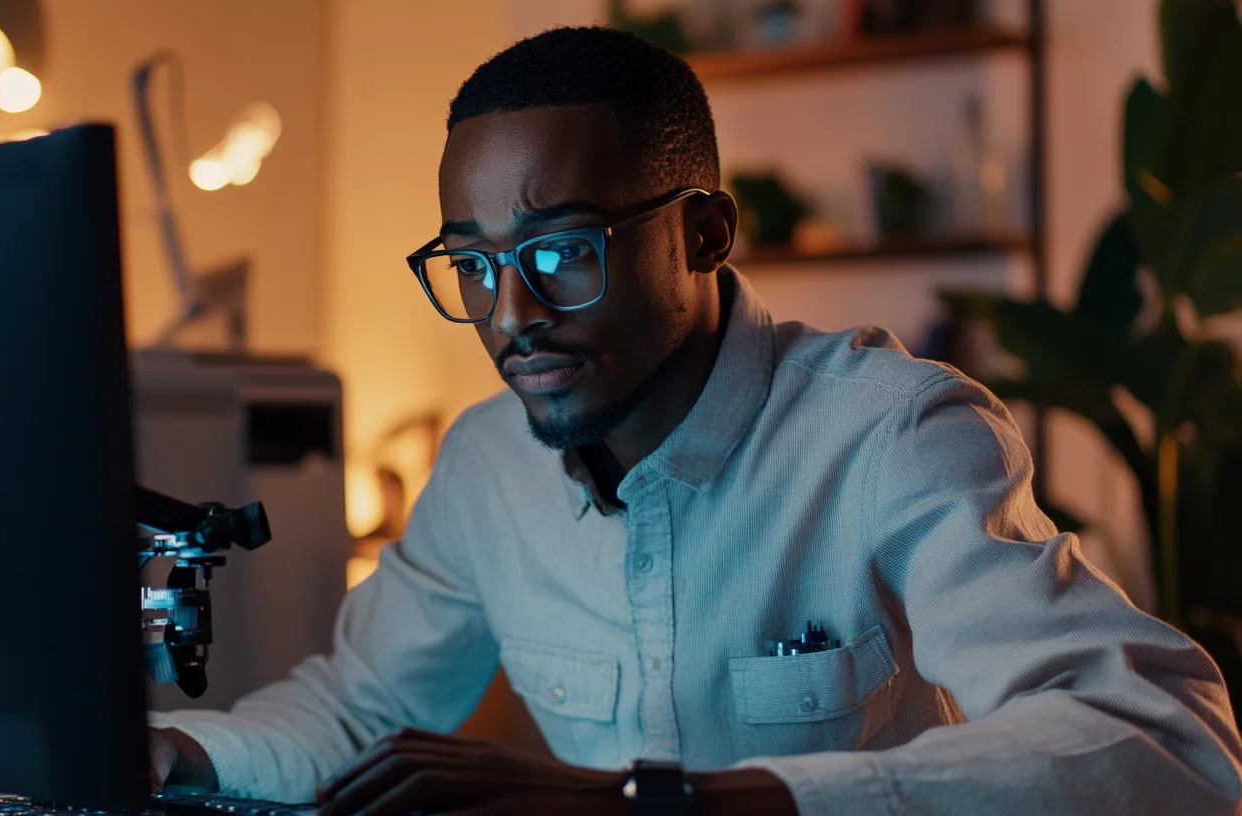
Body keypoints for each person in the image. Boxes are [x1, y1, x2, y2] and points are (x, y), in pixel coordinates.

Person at [149, 26, 1242, 815]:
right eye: (472, 265)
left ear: (707, 232)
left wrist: (654, 803)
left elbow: (1161, 743)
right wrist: (160, 756)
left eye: (561, 250)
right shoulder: (486, 464)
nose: (511, 316)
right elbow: (354, 714)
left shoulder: (891, 434)